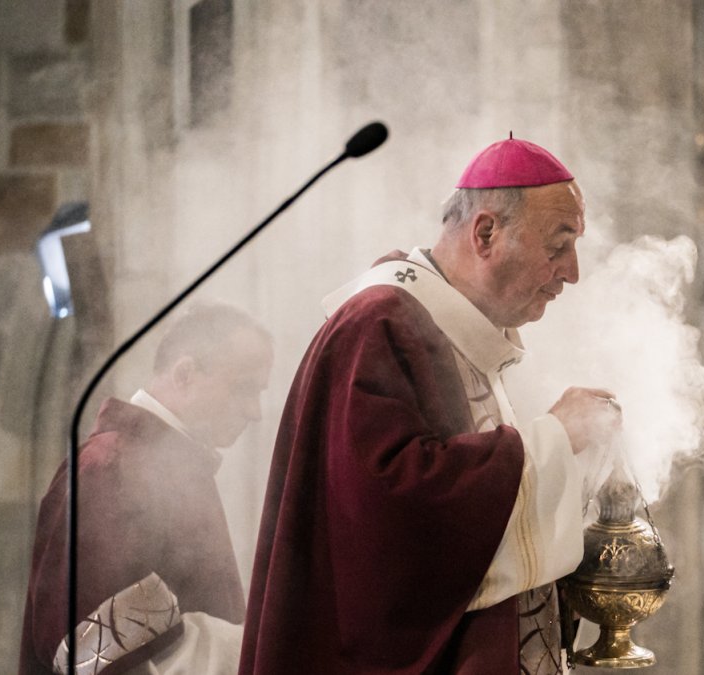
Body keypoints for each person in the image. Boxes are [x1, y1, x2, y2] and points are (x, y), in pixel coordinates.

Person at [238, 136, 620, 674]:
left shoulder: (454, 332)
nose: (572, 272)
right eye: (558, 247)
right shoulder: (379, 323)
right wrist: (555, 439)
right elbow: (395, 519)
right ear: (485, 234)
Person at [20, 302, 274, 675]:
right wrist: (252, 648)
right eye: (243, 389)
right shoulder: (109, 468)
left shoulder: (170, 465)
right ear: (185, 374)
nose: (255, 411)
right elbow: (89, 649)